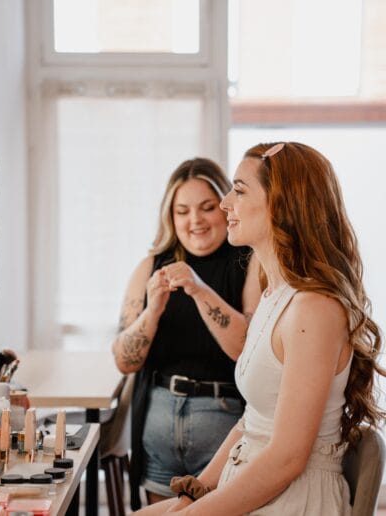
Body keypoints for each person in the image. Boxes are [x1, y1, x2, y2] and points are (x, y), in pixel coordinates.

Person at [134, 142, 385, 515]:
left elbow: (286, 460)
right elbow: (251, 421)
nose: (225, 204)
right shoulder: (275, 295)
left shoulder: (313, 310)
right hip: (253, 485)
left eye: (239, 190)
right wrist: (193, 495)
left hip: (293, 500)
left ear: (281, 205)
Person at [112, 157, 261, 510]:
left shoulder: (250, 262)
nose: (195, 220)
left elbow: (248, 351)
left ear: (226, 206)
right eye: (182, 211)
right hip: (158, 426)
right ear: (171, 216)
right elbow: (124, 361)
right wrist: (153, 310)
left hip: (223, 426)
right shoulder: (150, 267)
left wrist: (198, 289)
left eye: (207, 208)